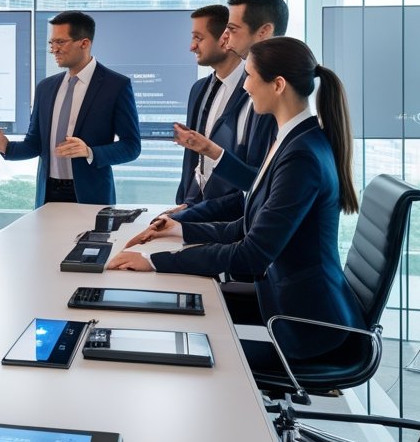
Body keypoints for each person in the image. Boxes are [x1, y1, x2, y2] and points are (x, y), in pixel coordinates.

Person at [108, 37, 363, 364]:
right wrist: (179, 231)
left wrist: (156, 261)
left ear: (278, 85)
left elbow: (252, 255)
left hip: (307, 325)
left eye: (251, 76)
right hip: (287, 302)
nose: (245, 86)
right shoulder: (292, 140)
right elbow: (249, 225)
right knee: (179, 311)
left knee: (190, 349)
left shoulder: (301, 155)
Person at [0, 11, 140, 206]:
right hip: (48, 194)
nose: (54, 49)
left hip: (91, 196)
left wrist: (89, 151)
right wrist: (5, 146)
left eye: (60, 42)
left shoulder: (115, 86)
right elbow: (34, 145)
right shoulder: (46, 88)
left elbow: (131, 147)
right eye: (52, 43)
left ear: (84, 43)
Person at [168, 0, 288, 224]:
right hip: (205, 216)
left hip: (234, 223)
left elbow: (257, 185)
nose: (227, 38)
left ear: (264, 31)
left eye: (232, 30)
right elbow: (196, 164)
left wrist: (190, 218)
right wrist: (186, 207)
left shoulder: (271, 98)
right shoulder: (201, 88)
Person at [174, 4, 246, 208]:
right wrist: (186, 202)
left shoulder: (255, 90)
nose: (192, 46)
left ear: (224, 39)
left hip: (235, 217)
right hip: (196, 209)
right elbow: (193, 156)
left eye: (198, 38)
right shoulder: (199, 89)